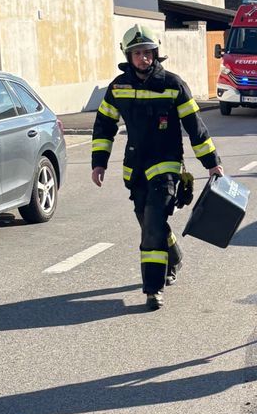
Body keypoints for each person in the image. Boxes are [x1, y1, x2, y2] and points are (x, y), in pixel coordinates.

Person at [91, 25, 223, 311]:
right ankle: (173, 254)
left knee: (151, 225)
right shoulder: (119, 88)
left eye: (148, 53)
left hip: (166, 165)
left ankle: (153, 289)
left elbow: (194, 126)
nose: (143, 58)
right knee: (147, 220)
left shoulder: (172, 85)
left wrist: (212, 164)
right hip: (135, 168)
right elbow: (104, 126)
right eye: (137, 53)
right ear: (129, 56)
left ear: (156, 54)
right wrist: (99, 163)